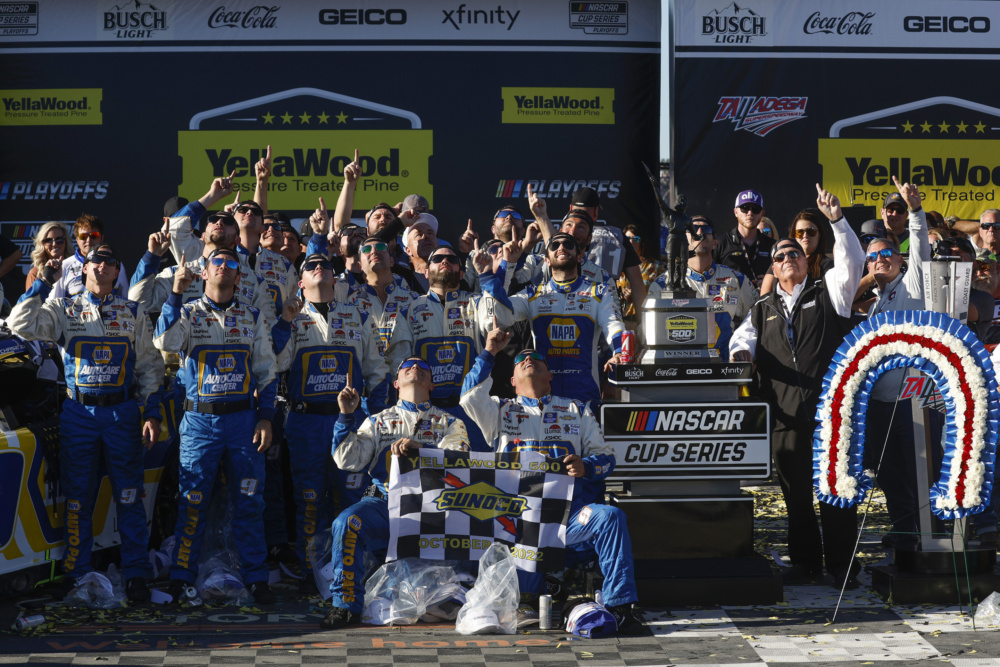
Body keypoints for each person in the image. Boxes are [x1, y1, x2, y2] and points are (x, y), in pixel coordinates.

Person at [460, 328, 643, 634]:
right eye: (520, 361)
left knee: (610, 516)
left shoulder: (576, 410)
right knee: (521, 538)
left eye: (536, 358)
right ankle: (529, 598)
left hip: (570, 516)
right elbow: (468, 395)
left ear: (550, 375)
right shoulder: (499, 410)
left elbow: (607, 459)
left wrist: (586, 466)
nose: (528, 359)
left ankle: (619, 606)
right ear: (512, 380)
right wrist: (490, 352)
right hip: (520, 520)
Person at [8, 244, 163, 602]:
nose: (103, 265)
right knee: (78, 498)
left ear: (117, 272)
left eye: (110, 261)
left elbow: (150, 366)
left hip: (122, 412)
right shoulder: (63, 308)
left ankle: (136, 573)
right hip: (79, 413)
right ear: (84, 268)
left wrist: (152, 412)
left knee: (129, 496)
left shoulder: (132, 312)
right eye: (96, 259)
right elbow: (19, 325)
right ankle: (77, 573)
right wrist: (42, 282)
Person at [730, 184, 865, 587]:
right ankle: (805, 563)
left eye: (794, 253)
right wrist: (741, 354)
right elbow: (740, 340)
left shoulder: (830, 292)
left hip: (830, 414)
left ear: (806, 261)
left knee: (836, 491)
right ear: (773, 269)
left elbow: (853, 260)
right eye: (780, 256)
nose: (788, 258)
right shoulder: (762, 308)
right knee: (796, 496)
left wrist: (836, 220)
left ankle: (842, 566)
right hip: (785, 416)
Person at [154, 246, 279, 605]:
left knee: (250, 502)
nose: (224, 266)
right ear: (205, 273)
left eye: (231, 263)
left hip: (243, 421)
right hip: (199, 421)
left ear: (239, 276)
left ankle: (256, 578)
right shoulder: (188, 311)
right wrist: (176, 294)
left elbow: (267, 372)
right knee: (191, 502)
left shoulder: (252, 316)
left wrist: (266, 417)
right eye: (217, 262)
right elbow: (164, 341)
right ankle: (181, 577)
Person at [319, 357, 469, 629]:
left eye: (423, 367)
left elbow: (461, 463)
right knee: (347, 522)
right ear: (396, 383)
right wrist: (346, 415)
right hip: (385, 505)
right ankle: (345, 605)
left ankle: (456, 594)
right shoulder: (378, 421)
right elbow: (347, 460)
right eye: (407, 365)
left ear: (432, 384)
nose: (415, 367)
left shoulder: (450, 422)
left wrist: (423, 449)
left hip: (434, 510)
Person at [271, 252, 391, 584]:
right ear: (300, 282)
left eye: (325, 265)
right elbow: (276, 363)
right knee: (310, 500)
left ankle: (355, 573)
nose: (319, 268)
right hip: (306, 421)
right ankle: (312, 571)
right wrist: (283, 322)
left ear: (335, 279)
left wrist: (375, 421)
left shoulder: (358, 315)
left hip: (350, 422)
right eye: (311, 265)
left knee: (353, 498)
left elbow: (378, 371)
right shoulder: (291, 317)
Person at [858, 178, 930, 552]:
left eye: (888, 253)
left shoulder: (913, 285)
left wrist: (915, 211)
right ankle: (904, 531)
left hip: (912, 400)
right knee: (888, 474)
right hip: (879, 402)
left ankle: (930, 535)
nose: (881, 258)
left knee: (920, 472)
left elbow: (920, 248)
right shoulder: (872, 305)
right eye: (874, 256)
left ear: (900, 259)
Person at [490, 233, 625, 410]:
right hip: (544, 399)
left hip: (585, 398)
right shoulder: (533, 295)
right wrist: (507, 266)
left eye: (568, 244)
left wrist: (619, 352)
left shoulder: (599, 292)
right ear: (547, 261)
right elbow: (499, 313)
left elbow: (613, 325)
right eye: (554, 245)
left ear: (580, 257)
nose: (561, 247)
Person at [386, 246, 500, 452]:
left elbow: (500, 320)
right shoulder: (409, 310)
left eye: (452, 259)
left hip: (471, 409)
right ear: (426, 272)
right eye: (437, 258)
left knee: (477, 468)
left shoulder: (477, 302)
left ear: (462, 273)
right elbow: (398, 363)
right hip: (427, 411)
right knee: (428, 469)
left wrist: (487, 274)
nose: (445, 261)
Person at [527, 185, 646, 315]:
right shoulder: (617, 236)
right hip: (603, 308)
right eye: (570, 225)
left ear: (570, 208)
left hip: (561, 308)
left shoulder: (558, 241)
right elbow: (637, 283)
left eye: (581, 227)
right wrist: (643, 322)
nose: (573, 232)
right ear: (596, 212)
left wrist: (542, 218)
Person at [649, 216, 753, 359]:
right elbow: (647, 331)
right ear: (682, 241)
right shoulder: (664, 284)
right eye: (692, 229)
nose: (699, 232)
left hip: (725, 367)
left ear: (715, 243)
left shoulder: (737, 280)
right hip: (680, 366)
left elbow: (755, 322)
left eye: (706, 229)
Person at [129, 210, 270, 316]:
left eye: (227, 221)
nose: (219, 223)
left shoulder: (253, 280)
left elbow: (267, 325)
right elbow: (138, 302)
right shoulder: (176, 274)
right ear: (202, 236)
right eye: (213, 220)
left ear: (237, 240)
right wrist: (152, 256)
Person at [347, 237, 421, 355]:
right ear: (360, 266)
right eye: (366, 250)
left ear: (392, 261)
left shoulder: (414, 300)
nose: (374, 251)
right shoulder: (350, 303)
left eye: (380, 247)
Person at [49, 214, 129, 301]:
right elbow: (54, 302)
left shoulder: (114, 263)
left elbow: (126, 300)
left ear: (101, 238)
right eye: (83, 236)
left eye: (94, 235)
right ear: (77, 239)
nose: (88, 240)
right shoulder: (65, 265)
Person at [760, 210, 834, 296]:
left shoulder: (828, 265)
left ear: (819, 235)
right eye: (800, 232)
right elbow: (764, 297)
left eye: (811, 231)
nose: (805, 236)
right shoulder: (780, 261)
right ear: (793, 235)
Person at [714, 190, 775, 288]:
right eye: (744, 208)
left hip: (763, 297)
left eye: (755, 209)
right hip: (730, 296)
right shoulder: (720, 243)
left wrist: (771, 282)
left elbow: (784, 277)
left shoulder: (772, 245)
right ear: (735, 212)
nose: (750, 213)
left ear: (762, 213)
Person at [618, 224, 664, 327]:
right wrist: (621, 295)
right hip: (621, 322)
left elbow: (662, 293)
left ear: (642, 242)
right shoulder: (617, 266)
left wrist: (638, 293)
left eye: (636, 239)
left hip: (646, 320)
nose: (631, 242)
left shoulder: (655, 266)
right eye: (627, 238)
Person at [25, 222, 69, 290]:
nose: (54, 244)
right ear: (42, 244)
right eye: (49, 241)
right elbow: (32, 297)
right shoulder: (36, 273)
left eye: (59, 240)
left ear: (65, 242)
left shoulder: (76, 265)